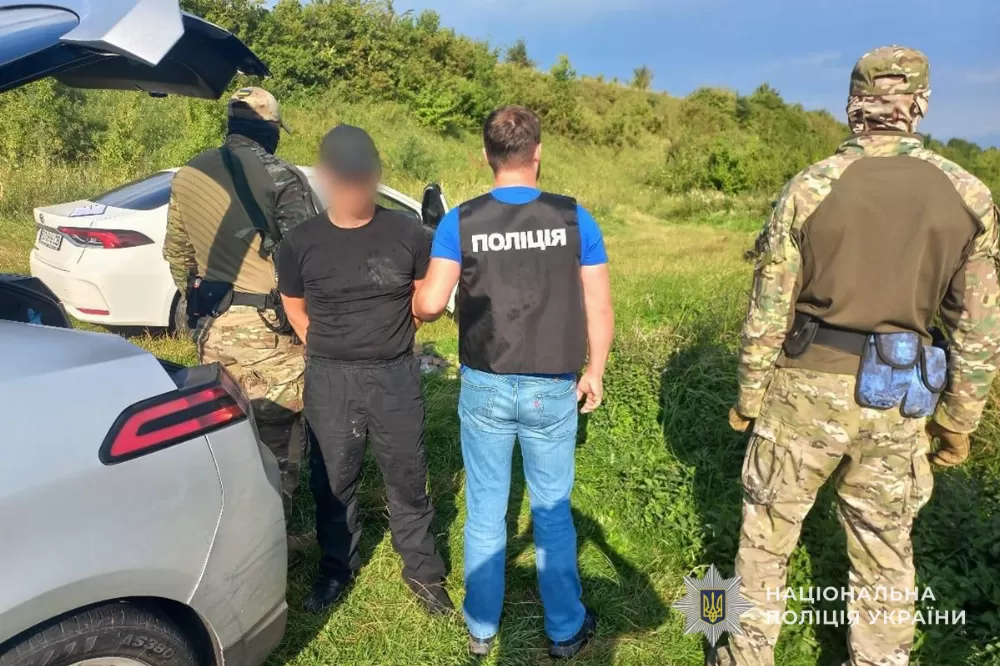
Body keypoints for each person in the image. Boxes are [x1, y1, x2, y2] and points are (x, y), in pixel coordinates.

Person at [712, 46, 1000, 666]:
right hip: (901, 399)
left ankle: (745, 656)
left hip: (804, 389)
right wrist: (959, 421)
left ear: (854, 105)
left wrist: (750, 395)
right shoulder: (968, 196)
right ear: (920, 104)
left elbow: (769, 307)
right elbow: (979, 331)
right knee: (884, 550)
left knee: (766, 538)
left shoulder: (811, 186)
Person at [413, 106, 614, 659]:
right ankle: (565, 629)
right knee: (551, 510)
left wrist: (418, 296)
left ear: (487, 155)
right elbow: (599, 306)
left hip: (486, 382)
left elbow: (430, 304)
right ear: (537, 153)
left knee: (485, 508)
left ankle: (481, 628)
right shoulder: (575, 218)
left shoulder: (461, 221)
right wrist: (595, 370)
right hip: (553, 385)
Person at [277, 124, 453, 616]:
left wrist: (388, 339)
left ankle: (422, 571)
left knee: (408, 475)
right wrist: (330, 348)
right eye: (345, 179)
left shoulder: (409, 233)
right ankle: (337, 569)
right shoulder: (299, 243)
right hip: (329, 379)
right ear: (326, 177)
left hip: (394, 375)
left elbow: (421, 301)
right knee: (332, 481)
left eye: (362, 178)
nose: (355, 189)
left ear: (375, 174)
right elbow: (295, 308)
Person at [162, 87, 319, 553]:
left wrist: (199, 302)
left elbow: (177, 254)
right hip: (269, 333)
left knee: (223, 434)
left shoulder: (188, 174)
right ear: (270, 129)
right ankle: (269, 549)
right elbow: (309, 259)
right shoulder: (282, 176)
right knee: (277, 438)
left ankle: (220, 535)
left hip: (212, 327)